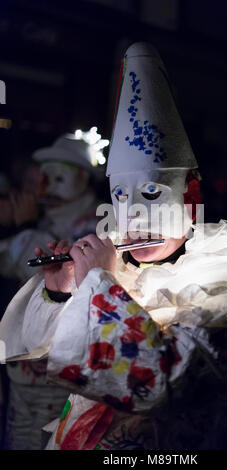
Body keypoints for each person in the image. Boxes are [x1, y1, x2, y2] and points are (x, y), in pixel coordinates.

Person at [1, 42, 227, 450]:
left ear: (190, 197)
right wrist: (59, 291)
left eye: (153, 193)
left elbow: (160, 380)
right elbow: (49, 353)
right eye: (121, 196)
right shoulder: (119, 266)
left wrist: (99, 284)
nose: (134, 216)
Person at [0, 129, 109, 449]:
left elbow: (62, 273)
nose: (48, 186)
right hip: (23, 367)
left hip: (61, 373)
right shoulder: (46, 218)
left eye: (62, 176)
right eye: (47, 176)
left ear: (85, 179)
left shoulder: (97, 223)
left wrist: (24, 230)